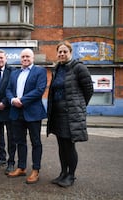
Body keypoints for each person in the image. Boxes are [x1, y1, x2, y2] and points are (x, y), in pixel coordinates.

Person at [47, 41, 93, 187]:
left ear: (70, 53)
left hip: (70, 114)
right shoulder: (57, 68)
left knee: (69, 146)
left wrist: (78, 105)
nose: (62, 54)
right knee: (61, 145)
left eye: (64, 51)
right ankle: (63, 173)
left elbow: (88, 90)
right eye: (59, 52)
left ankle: (71, 176)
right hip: (57, 114)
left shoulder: (79, 68)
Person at [6, 48, 47, 184]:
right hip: (16, 112)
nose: (25, 59)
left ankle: (36, 170)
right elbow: (8, 89)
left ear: (33, 58)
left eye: (28, 56)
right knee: (20, 141)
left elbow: (39, 90)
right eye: (23, 56)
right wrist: (12, 100)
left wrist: (21, 100)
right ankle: (21, 167)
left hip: (33, 113)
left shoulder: (40, 71)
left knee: (36, 142)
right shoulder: (14, 73)